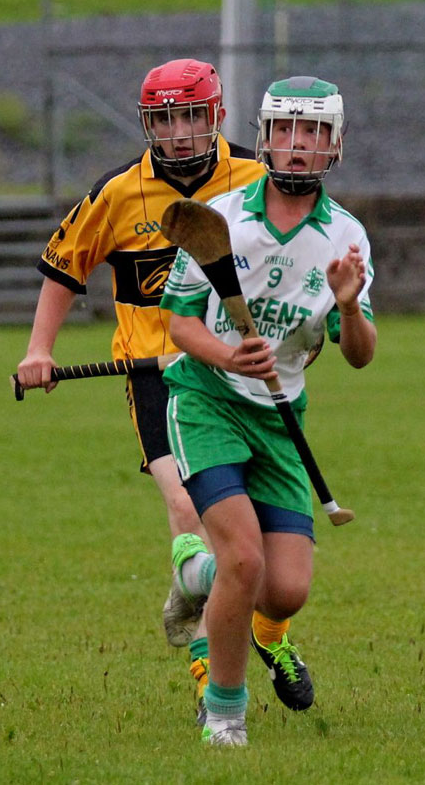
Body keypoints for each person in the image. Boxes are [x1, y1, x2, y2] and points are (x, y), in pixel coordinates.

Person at [16, 58, 266, 723]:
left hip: (235, 377)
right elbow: (64, 268)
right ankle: (210, 673)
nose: (180, 134)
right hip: (154, 375)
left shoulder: (255, 180)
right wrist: (40, 349)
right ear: (147, 123)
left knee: (246, 531)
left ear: (214, 116)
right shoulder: (119, 193)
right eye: (165, 120)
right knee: (189, 507)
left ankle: (208, 594)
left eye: (191, 117)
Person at [160, 75, 377, 746]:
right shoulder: (222, 217)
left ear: (333, 145)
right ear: (266, 136)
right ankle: (223, 713)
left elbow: (361, 353)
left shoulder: (345, 236)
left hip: (281, 416)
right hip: (206, 400)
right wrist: (227, 359)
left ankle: (193, 571)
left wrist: (346, 304)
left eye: (313, 132)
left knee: (283, 591)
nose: (297, 144)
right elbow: (178, 324)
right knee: (246, 562)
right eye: (286, 129)